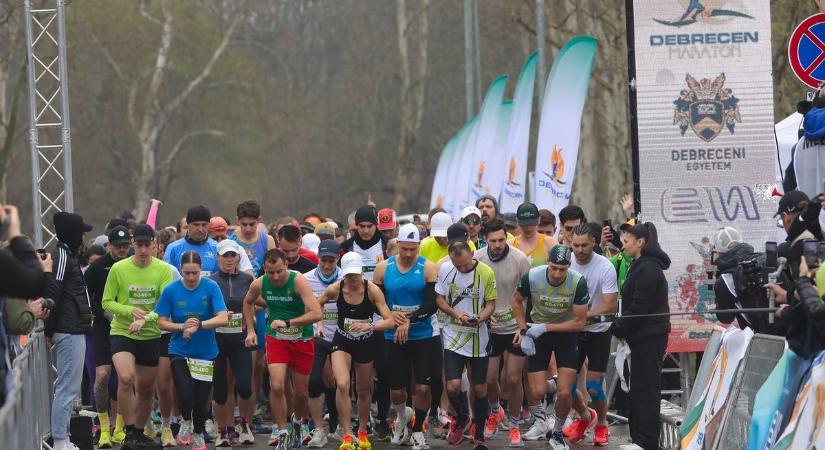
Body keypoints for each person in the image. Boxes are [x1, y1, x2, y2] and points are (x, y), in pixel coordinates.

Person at [102, 224, 175, 450]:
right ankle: (125, 429)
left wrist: (146, 319)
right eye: (139, 245)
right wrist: (128, 311)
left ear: (155, 245)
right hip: (122, 331)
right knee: (125, 377)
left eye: (147, 245)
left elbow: (165, 303)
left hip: (150, 333)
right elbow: (106, 301)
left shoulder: (164, 269)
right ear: (133, 245)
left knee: (145, 387)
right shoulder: (118, 268)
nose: (143, 250)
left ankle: (137, 432)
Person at [512, 244, 590, 450]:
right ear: (547, 263)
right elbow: (516, 300)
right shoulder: (533, 276)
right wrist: (523, 330)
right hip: (538, 332)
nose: (557, 273)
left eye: (562, 269)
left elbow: (580, 323)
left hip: (566, 334)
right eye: (553, 267)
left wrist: (546, 327)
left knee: (565, 394)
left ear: (569, 267)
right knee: (537, 391)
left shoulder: (577, 282)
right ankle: (554, 383)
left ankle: (556, 433)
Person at [242, 249, 322, 450]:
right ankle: (283, 431)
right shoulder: (259, 283)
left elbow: (316, 313)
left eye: (279, 271)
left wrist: (288, 322)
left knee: (301, 393)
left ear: (286, 265)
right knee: (277, 385)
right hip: (276, 338)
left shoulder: (298, 281)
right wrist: (251, 331)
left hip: (301, 338)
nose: (275, 276)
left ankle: (297, 424)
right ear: (265, 270)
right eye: (271, 272)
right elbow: (248, 301)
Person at [318, 252, 396, 450]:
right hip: (342, 340)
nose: (353, 278)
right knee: (342, 383)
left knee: (363, 389)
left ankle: (362, 429)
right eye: (349, 274)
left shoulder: (372, 290)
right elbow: (315, 304)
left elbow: (389, 321)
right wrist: (318, 323)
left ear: (361, 271)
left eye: (356, 274)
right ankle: (346, 434)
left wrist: (370, 327)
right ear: (343, 273)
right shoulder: (336, 288)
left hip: (365, 342)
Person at [373, 223, 438, 450]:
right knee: (397, 390)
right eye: (405, 249)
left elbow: (432, 304)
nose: (409, 254)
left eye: (413, 249)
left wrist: (410, 320)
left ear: (419, 246)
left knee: (422, 388)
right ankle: (402, 417)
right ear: (397, 244)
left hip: (421, 334)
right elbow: (377, 302)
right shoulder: (382, 269)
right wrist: (392, 317)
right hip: (393, 336)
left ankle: (418, 429)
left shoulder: (428, 267)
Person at [156, 251, 229, 450]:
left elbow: (223, 317)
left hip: (205, 352)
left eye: (194, 273)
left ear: (200, 271)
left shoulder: (211, 287)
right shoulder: (171, 290)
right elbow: (160, 322)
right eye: (186, 273)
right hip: (179, 349)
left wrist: (200, 325)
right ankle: (185, 420)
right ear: (181, 270)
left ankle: (198, 433)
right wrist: (181, 327)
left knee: (201, 398)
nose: (190, 278)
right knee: (185, 393)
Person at [610, 223, 671, 450]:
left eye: (626, 242)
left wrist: (618, 328)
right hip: (640, 336)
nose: (622, 246)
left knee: (646, 389)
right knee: (637, 387)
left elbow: (639, 308)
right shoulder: (640, 266)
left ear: (641, 242)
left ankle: (646, 441)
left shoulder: (649, 269)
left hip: (649, 336)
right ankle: (639, 439)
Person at [474, 218, 531, 446]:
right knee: (489, 379)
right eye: (492, 241)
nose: (497, 245)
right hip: (490, 327)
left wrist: (523, 326)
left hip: (515, 327)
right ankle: (496, 411)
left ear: (506, 237)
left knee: (513, 378)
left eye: (501, 240)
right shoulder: (478, 258)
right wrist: (484, 312)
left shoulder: (520, 259)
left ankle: (515, 425)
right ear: (485, 239)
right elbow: (473, 290)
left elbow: (530, 295)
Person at [435, 240, 497, 449]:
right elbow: (439, 299)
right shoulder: (445, 269)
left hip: (478, 336)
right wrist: (455, 313)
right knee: (452, 386)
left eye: (463, 264)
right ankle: (462, 417)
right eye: (456, 264)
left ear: (472, 254)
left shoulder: (486, 272)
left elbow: (491, 304)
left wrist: (480, 318)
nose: (460, 268)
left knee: (479, 387)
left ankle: (478, 434)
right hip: (453, 333)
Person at [45, 212, 94, 450]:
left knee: (68, 388)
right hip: (68, 329)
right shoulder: (62, 256)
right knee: (66, 388)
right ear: (73, 233)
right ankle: (61, 440)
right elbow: (54, 290)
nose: (84, 237)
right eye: (81, 232)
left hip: (72, 327)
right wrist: (49, 328)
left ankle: (63, 438)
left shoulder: (68, 255)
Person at [566, 225, 618, 445]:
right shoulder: (565, 262)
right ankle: (587, 416)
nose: (579, 250)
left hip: (598, 331)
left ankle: (603, 423)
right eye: (575, 245)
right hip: (572, 332)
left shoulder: (605, 266)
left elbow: (610, 305)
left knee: (593, 387)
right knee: (565, 387)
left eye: (584, 245)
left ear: (594, 242)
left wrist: (583, 314)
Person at [85, 225, 132, 448]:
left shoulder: (135, 264)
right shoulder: (97, 268)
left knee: (126, 378)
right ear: (109, 246)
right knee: (102, 376)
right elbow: (88, 299)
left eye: (126, 246)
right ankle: (103, 428)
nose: (123, 250)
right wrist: (105, 313)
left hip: (129, 327)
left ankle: (120, 427)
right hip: (104, 326)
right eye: (118, 246)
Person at [209, 239, 256, 446]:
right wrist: (217, 315)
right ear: (218, 258)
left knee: (245, 387)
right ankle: (221, 431)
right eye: (224, 256)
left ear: (238, 257)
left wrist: (250, 315)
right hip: (217, 341)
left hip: (240, 340)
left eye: (232, 255)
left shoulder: (247, 279)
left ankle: (244, 424)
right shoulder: (210, 281)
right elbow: (203, 306)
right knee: (219, 391)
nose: (229, 260)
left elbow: (259, 302)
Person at [304, 240, 344, 447]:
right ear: (318, 258)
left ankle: (337, 427)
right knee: (314, 382)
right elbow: (303, 308)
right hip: (316, 336)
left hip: (341, 337)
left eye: (331, 261)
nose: (327, 265)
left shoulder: (347, 278)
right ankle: (319, 428)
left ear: (338, 259)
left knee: (337, 383)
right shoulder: (306, 279)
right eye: (323, 260)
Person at [342, 205, 390, 281]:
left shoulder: (387, 243)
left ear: (376, 225)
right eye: (362, 226)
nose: (366, 231)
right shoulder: (346, 247)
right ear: (357, 225)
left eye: (369, 226)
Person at [509, 202, 557, 268]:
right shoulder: (510, 244)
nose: (528, 229)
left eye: (532, 224)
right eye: (524, 225)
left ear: (539, 220)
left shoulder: (550, 244)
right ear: (517, 222)